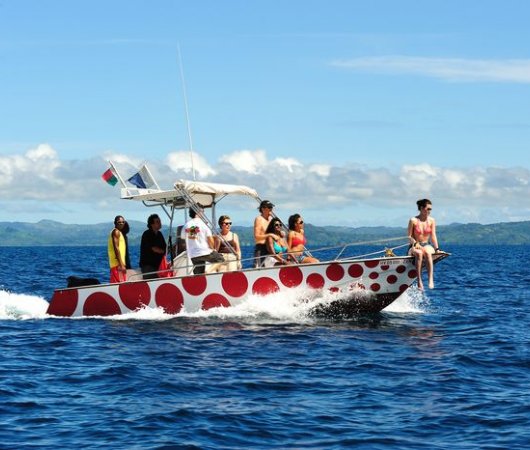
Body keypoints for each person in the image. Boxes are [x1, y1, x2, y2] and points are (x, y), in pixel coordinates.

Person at [407, 198, 441, 290]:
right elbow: (409, 236)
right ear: (422, 208)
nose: (430, 211)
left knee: (427, 252)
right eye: (428, 209)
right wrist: (414, 242)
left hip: (426, 245)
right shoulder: (413, 220)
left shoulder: (432, 221)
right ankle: (419, 281)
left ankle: (430, 280)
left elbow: (433, 235)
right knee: (419, 253)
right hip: (415, 245)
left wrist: (437, 249)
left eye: (430, 209)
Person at [181, 206, 224, 274]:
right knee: (220, 259)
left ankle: (198, 283)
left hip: (193, 254)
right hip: (205, 252)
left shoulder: (187, 225)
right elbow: (210, 240)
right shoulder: (203, 224)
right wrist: (214, 249)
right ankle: (208, 271)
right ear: (199, 212)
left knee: (199, 273)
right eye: (203, 212)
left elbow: (187, 237)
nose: (204, 214)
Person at [139, 214, 167, 280]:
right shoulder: (147, 234)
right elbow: (154, 248)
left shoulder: (159, 234)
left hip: (158, 266)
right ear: (152, 224)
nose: (160, 223)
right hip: (148, 267)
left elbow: (165, 247)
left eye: (160, 221)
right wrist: (163, 251)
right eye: (157, 222)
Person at [253, 199, 278, 267]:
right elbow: (256, 236)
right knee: (258, 269)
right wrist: (270, 234)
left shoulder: (271, 219)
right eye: (269, 207)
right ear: (263, 209)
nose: (271, 209)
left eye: (271, 207)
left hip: (272, 248)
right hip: (261, 249)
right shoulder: (259, 219)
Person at [108, 215, 127, 283]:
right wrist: (121, 264)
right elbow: (116, 248)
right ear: (115, 223)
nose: (121, 223)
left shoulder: (118, 232)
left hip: (116, 265)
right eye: (119, 222)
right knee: (120, 286)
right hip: (117, 265)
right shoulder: (116, 232)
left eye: (123, 222)